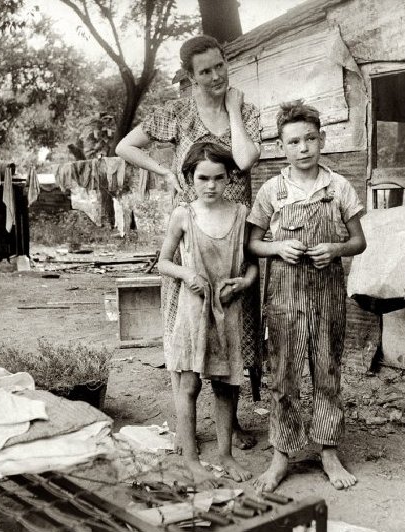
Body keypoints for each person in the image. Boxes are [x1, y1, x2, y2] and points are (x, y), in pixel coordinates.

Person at [116, 35, 262, 449]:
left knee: (232, 323)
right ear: (190, 76)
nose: (216, 76)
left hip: (233, 232)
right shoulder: (177, 112)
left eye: (220, 66)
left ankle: (230, 423)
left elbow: (245, 160)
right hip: (191, 231)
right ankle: (186, 425)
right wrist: (164, 172)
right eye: (205, 71)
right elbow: (125, 146)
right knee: (188, 323)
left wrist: (232, 110)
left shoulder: (246, 110)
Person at [247, 100, 367, 492]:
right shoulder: (272, 190)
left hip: (328, 294)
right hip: (284, 296)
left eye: (310, 139)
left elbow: (359, 241)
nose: (303, 148)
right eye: (294, 141)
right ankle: (281, 455)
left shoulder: (339, 187)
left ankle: (328, 451)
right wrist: (277, 248)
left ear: (322, 140)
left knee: (327, 371)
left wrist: (335, 249)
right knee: (283, 375)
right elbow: (252, 243)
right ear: (281, 147)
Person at [157, 142, 256, 485]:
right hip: (193, 311)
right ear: (189, 178)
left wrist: (244, 282)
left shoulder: (241, 214)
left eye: (218, 178)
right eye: (203, 178)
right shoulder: (184, 215)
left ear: (229, 178)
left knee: (227, 386)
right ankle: (191, 460)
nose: (211, 185)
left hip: (228, 310)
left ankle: (225, 455)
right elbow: (163, 262)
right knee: (189, 383)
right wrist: (186, 274)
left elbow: (252, 264)